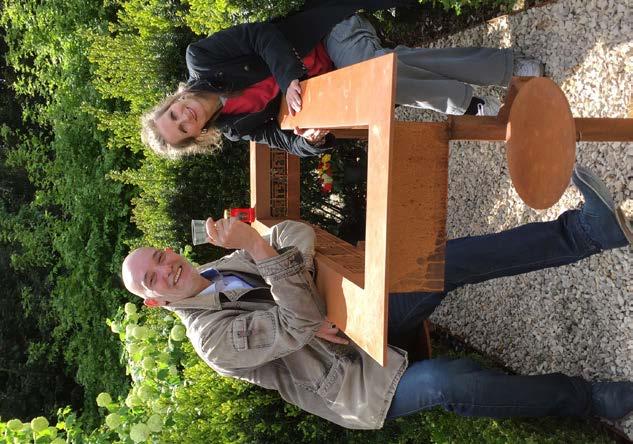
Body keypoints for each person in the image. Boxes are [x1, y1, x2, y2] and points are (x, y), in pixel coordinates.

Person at [121, 165, 633, 429]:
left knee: (438, 265)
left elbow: (296, 235)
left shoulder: (222, 263)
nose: (166, 270)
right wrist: (261, 250)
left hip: (354, 318)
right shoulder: (211, 341)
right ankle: (589, 400)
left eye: (160, 258)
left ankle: (588, 233)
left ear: (170, 252)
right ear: (154, 302)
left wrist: (294, 288)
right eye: (153, 279)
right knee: (443, 383)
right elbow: (297, 319)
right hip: (353, 382)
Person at [140, 0, 543, 158]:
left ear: (172, 102)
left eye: (173, 113)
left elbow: (258, 34)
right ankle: (504, 67)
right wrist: (309, 142)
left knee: (376, 77)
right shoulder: (234, 128)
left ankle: (470, 103)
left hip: (328, 33)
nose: (184, 117)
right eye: (182, 128)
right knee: (395, 67)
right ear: (195, 136)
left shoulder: (202, 59)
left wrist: (290, 77)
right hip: (337, 77)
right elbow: (283, 141)